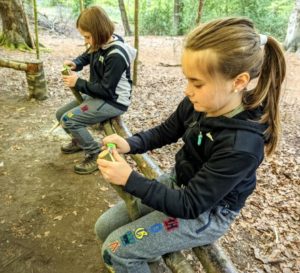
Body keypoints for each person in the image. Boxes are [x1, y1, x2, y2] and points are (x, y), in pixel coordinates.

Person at [95, 17, 286, 273]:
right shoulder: (202, 102)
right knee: (103, 228)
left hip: (205, 214)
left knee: (115, 250)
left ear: (238, 82)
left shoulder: (242, 145)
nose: (188, 90)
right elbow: (167, 130)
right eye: (188, 80)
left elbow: (190, 205)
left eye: (197, 82)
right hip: (179, 183)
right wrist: (129, 144)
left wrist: (130, 179)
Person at [56, 6, 136, 174]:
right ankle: (79, 141)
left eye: (87, 36)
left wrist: (78, 83)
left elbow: (106, 91)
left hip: (112, 100)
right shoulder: (99, 42)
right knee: (60, 115)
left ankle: (94, 153)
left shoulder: (116, 55)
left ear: (98, 31)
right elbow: (88, 54)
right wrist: (76, 63)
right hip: (98, 94)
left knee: (69, 119)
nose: (86, 40)